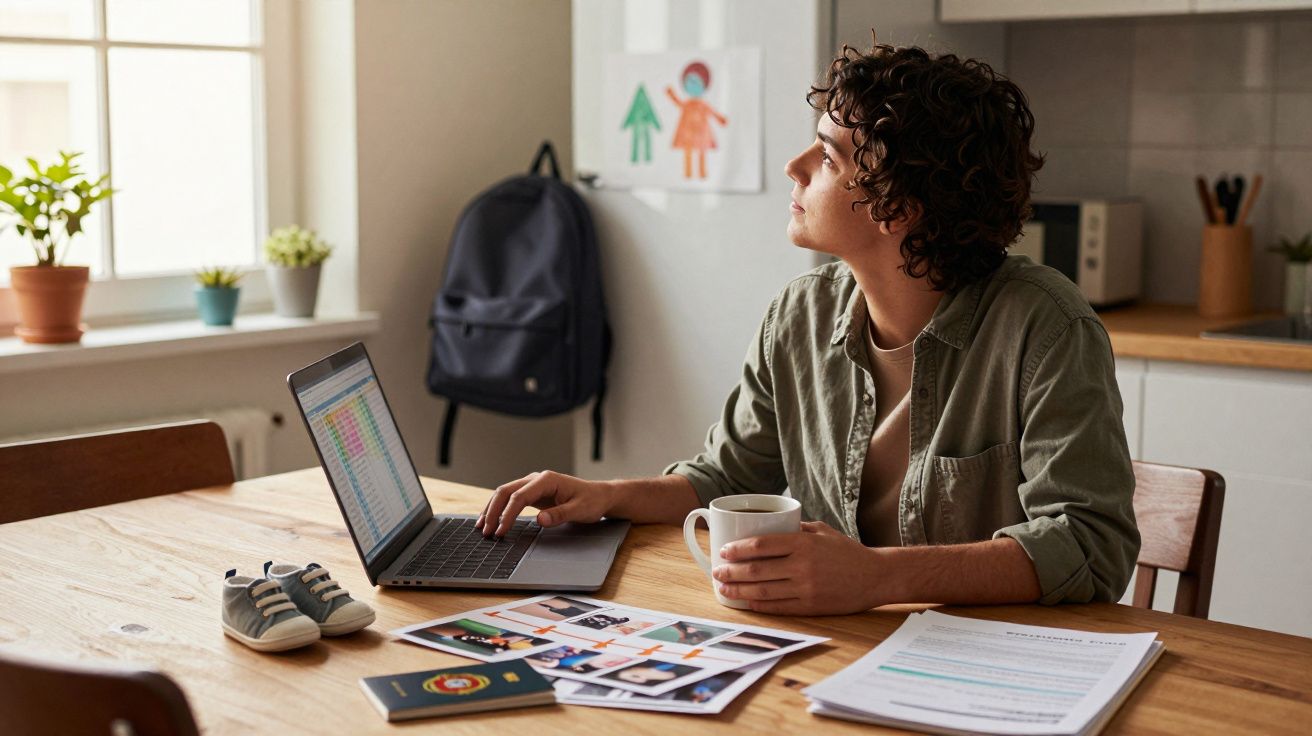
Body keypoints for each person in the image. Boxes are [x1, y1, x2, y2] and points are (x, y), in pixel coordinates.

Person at [477, 38, 1139, 616]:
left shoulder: (1044, 328)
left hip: (994, 668)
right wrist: (604, 495)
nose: (795, 167)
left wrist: (875, 579)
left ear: (897, 205)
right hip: (835, 654)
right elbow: (726, 477)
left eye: (826, 155)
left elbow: (1090, 544)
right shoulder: (798, 315)